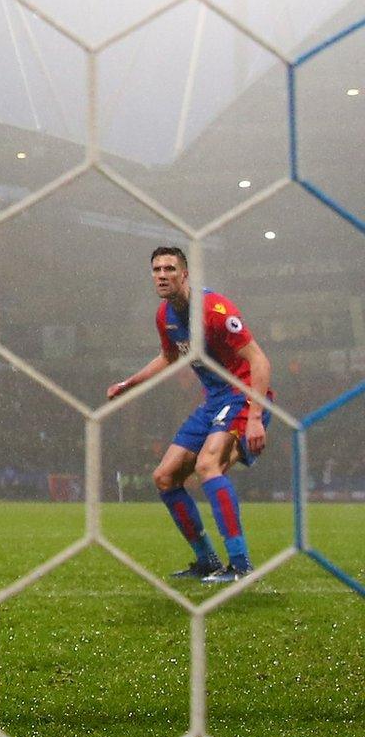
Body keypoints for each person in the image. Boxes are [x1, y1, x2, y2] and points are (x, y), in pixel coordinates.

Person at [107, 246, 273, 584]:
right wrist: (130, 383)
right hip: (213, 400)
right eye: (156, 270)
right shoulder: (164, 315)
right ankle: (207, 560)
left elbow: (259, 361)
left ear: (185, 274)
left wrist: (255, 416)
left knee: (207, 466)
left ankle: (240, 565)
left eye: (169, 268)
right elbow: (170, 357)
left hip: (242, 394)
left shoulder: (214, 309)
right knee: (164, 477)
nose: (162, 275)